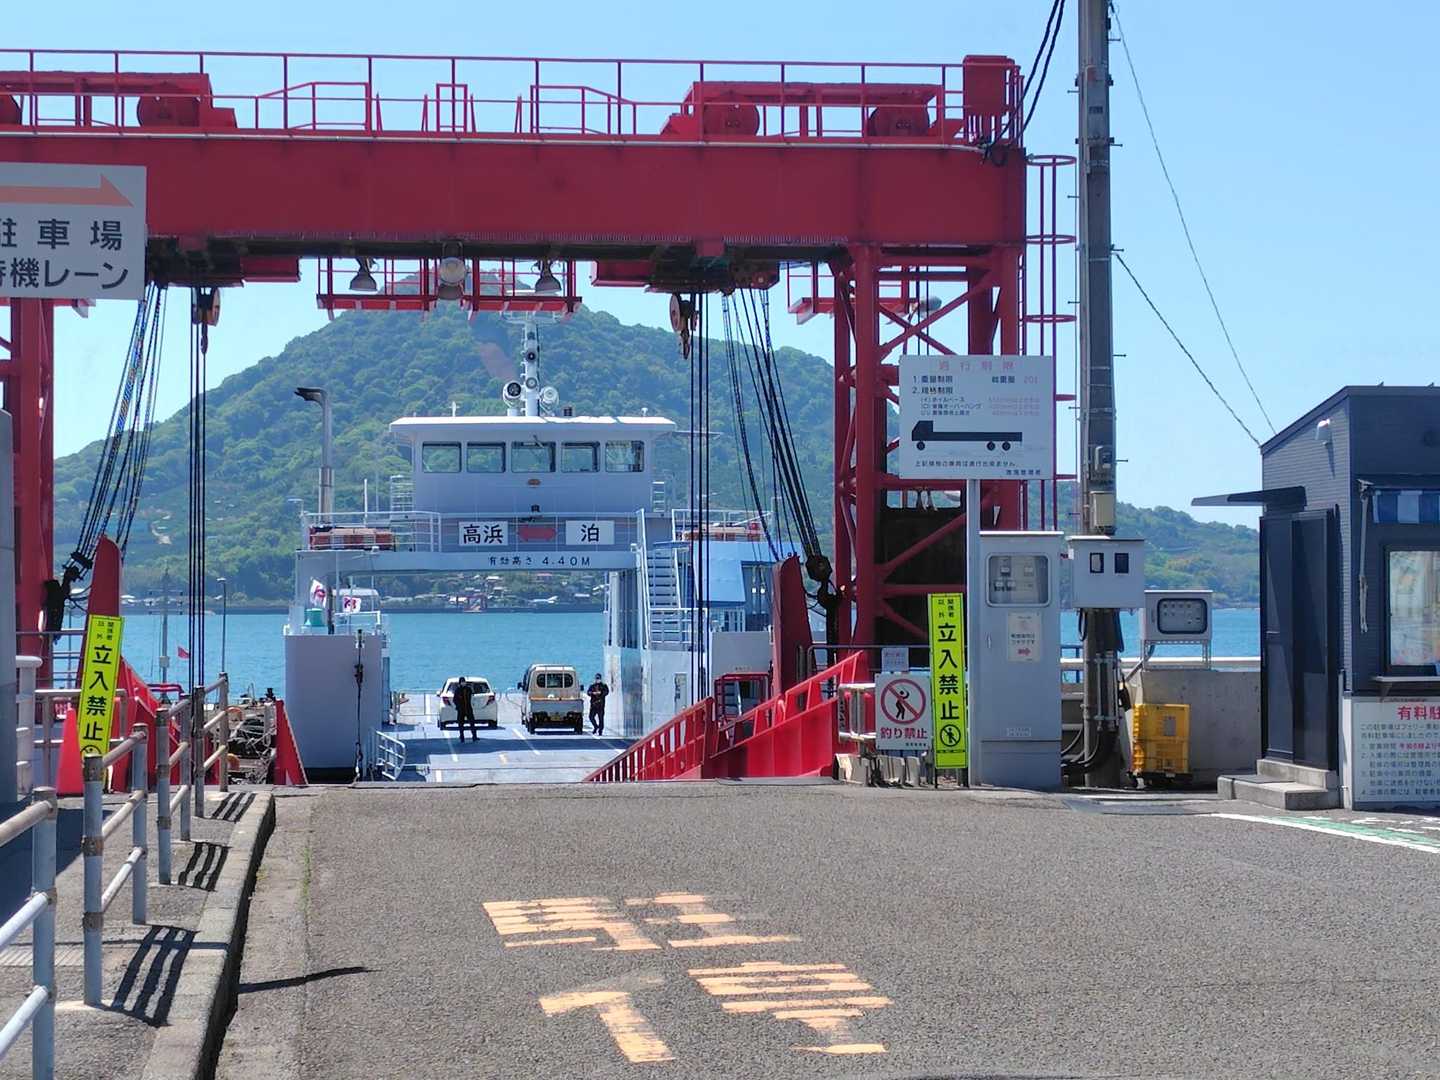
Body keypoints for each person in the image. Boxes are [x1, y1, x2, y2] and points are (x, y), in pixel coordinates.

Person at [453, 677, 479, 742]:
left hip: (468, 708)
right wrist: (458, 706)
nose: (463, 683)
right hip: (461, 709)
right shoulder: (458, 690)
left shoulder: (468, 689)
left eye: (464, 682)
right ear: (460, 683)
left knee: (472, 722)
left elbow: (472, 695)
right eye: (462, 682)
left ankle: (474, 736)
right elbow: (455, 700)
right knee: (460, 724)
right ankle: (462, 736)